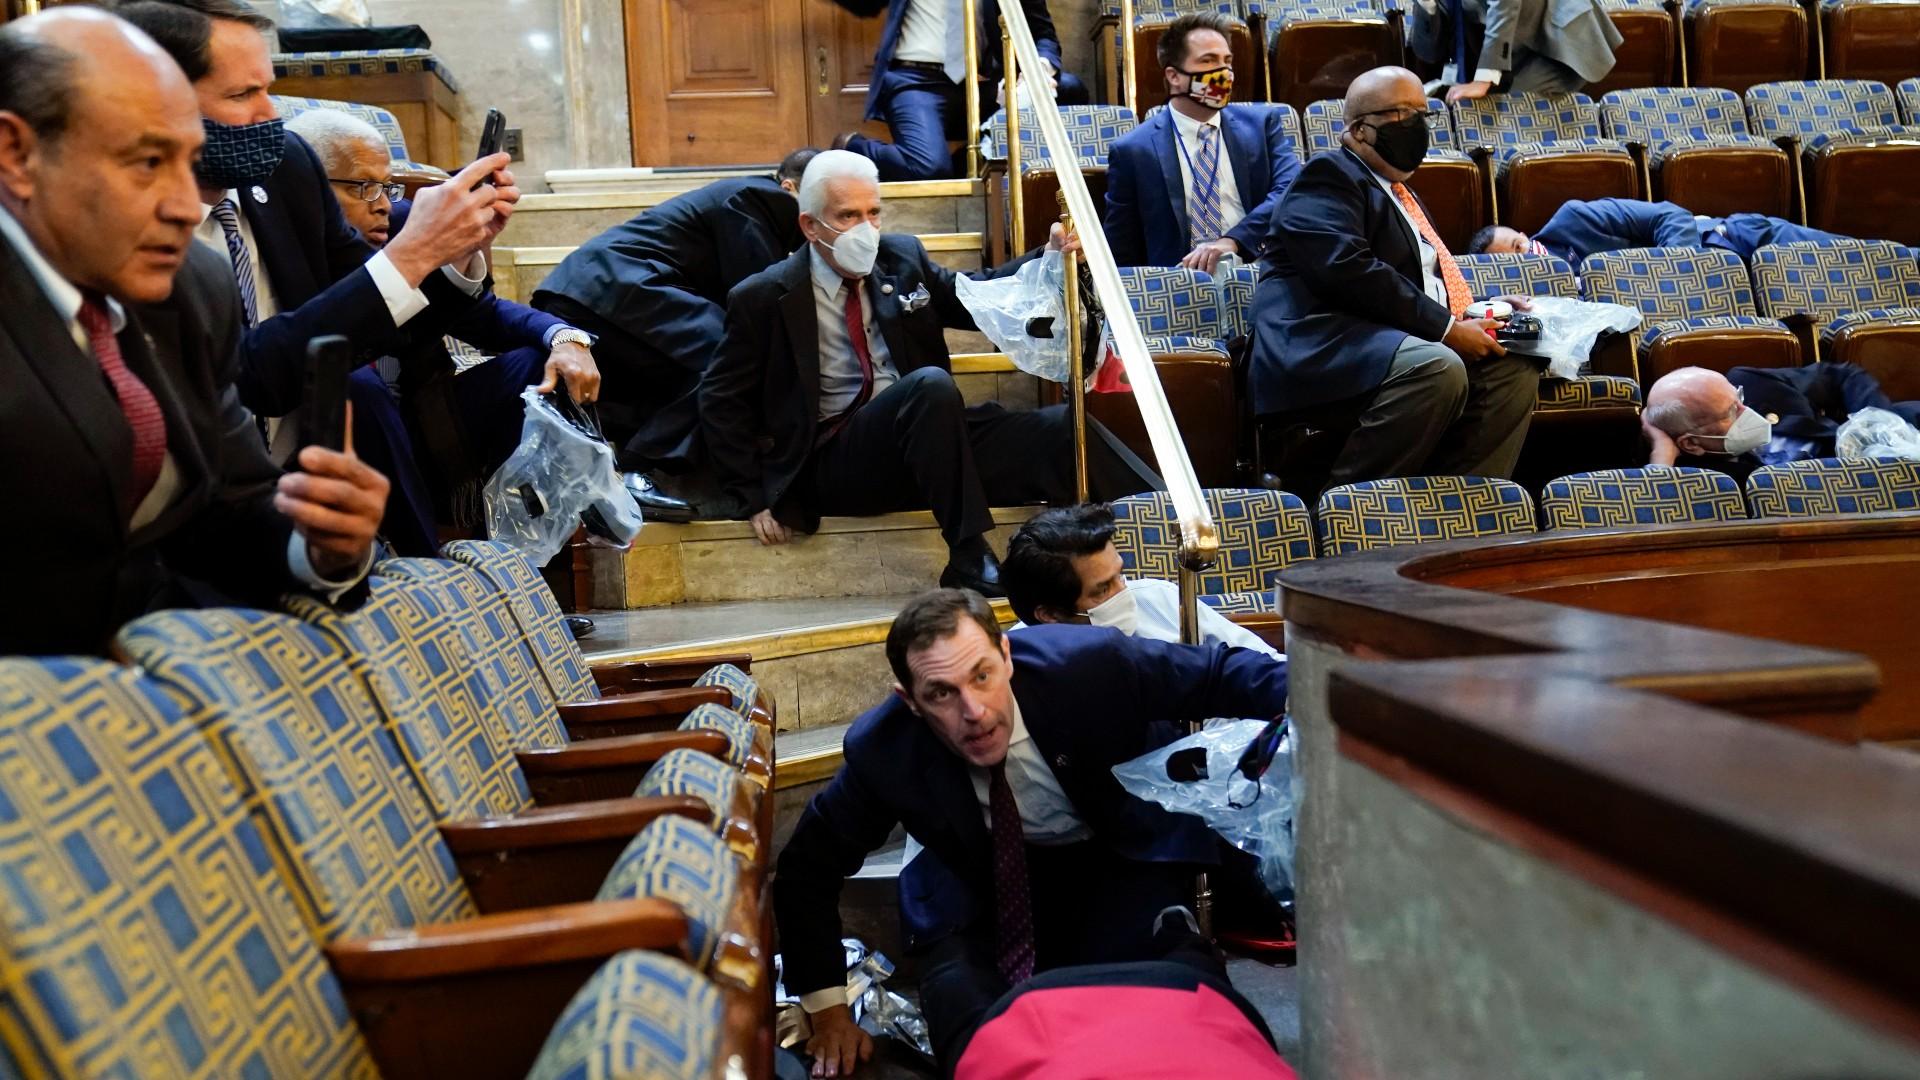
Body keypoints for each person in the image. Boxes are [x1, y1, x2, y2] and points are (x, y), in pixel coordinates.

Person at [774, 588, 1290, 1075]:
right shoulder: (883, 749)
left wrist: (1343, 700)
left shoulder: (1088, 665)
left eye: (982, 677)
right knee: (976, 1030)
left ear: (1007, 656)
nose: (973, 713)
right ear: (909, 700)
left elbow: (1216, 674)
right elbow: (806, 868)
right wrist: (828, 1011)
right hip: (975, 884)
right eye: (941, 694)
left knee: (1178, 1002)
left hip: (1112, 855)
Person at [0, 7, 387, 655]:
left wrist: (319, 542)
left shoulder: (192, 289)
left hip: (169, 691)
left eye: (187, 162)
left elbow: (228, 509)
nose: (185, 207)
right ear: (17, 154)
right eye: (147, 162)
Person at [113, 0, 518, 556]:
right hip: (182, 517)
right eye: (241, 96)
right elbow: (246, 373)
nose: (270, 115)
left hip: (303, 482)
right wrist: (411, 253)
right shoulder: (126, 228)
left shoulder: (287, 166)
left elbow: (375, 308)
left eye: (267, 89)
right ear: (153, 104)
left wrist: (456, 250)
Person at [699, 150, 1161, 596]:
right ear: (809, 224)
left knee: (1058, 429)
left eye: (873, 213)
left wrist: (1049, 254)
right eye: (847, 217)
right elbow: (721, 400)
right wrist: (753, 496)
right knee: (929, 386)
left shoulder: (902, 258)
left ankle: (1170, 522)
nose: (866, 229)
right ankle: (967, 552)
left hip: (932, 442)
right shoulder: (762, 296)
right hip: (839, 459)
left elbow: (975, 297)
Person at [285, 106, 601, 526]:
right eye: (363, 187)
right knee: (358, 385)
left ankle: (533, 529)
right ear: (308, 186)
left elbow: (486, 317)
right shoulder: (279, 243)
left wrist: (566, 339)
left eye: (387, 187)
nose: (381, 205)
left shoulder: (402, 222)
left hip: (423, 421)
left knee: (540, 362)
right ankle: (422, 555)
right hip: (338, 431)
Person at [1246, 67, 1540, 486]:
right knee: (1437, 366)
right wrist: (1447, 328)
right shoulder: (1327, 176)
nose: (1418, 127)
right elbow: (1346, 270)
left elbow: (1417, 282)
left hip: (1389, 341)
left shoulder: (1399, 190)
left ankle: (1462, 511)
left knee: (1512, 366)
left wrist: (1475, 310)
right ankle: (1355, 511)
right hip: (1322, 345)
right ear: (1361, 130)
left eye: (1423, 113)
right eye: (1404, 114)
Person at [532, 150, 818, 518]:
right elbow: (758, 304)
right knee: (733, 355)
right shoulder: (761, 197)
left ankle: (622, 467)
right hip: (614, 287)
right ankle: (633, 468)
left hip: (598, 294)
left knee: (694, 371)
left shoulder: (754, 204)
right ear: (791, 187)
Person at [1103, 13, 1301, 271]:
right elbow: (1122, 250)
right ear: (1174, 76)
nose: (1224, 73)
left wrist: (1234, 240)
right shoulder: (1132, 150)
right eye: (1208, 61)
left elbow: (1292, 190)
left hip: (1262, 271)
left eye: (1227, 61)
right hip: (1181, 286)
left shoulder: (1262, 125)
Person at [827, 0, 1087, 182]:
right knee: (929, 169)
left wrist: (1037, 72)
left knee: (1070, 90)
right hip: (916, 81)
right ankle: (853, 147)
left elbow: (1044, 34)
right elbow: (866, 4)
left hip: (984, 84)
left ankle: (972, 159)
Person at [999, 503, 1281, 661]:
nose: (1125, 593)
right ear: (1050, 614)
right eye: (1103, 589)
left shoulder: (1161, 599)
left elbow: (1267, 664)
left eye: (1119, 575)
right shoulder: (1020, 661)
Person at [1643, 364, 1920, 483]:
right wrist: (1662, 452)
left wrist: (1880, 425)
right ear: (1691, 443)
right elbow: (1656, 507)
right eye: (1730, 413)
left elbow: (1842, 375)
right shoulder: (1710, 480)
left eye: (1737, 396)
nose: (1746, 409)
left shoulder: (1754, 382)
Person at [1470, 198, 1852, 265]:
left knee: (1889, 262)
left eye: (1519, 245)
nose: (1527, 256)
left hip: (1736, 239)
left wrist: (1680, 270)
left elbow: (1670, 216)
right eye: (1517, 261)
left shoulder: (1574, 219)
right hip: (1725, 297)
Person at [1408, 0, 1621, 101]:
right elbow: (1428, 53)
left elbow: (1504, 6)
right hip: (1511, 46)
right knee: (1485, 105)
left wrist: (1483, 79)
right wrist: (1427, 6)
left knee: (1512, 105)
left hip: (1557, 40)